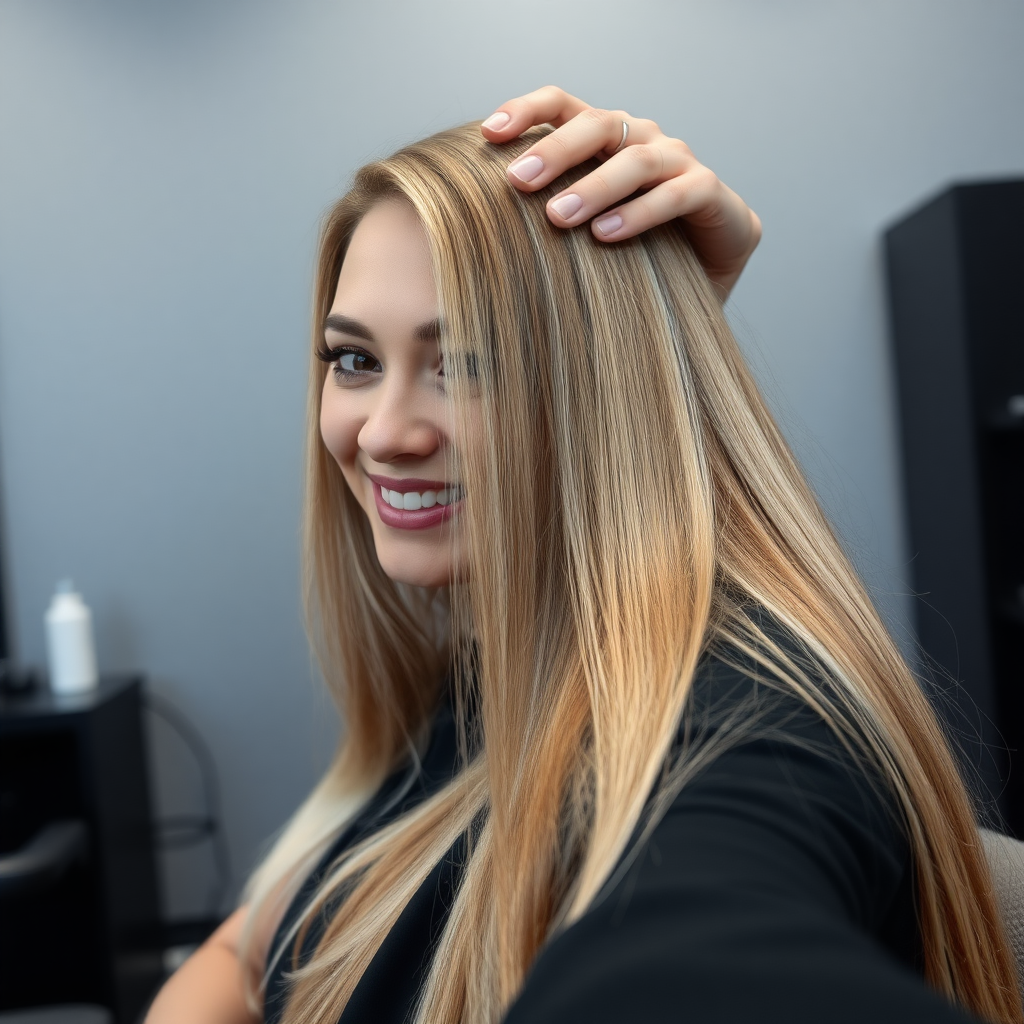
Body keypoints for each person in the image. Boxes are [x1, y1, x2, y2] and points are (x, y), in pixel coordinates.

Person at [144, 86, 1022, 1024]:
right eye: (355, 360)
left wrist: (650, 345)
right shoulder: (488, 661)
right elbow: (261, 940)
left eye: (470, 362)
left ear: (607, 389)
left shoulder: (738, 723)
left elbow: (688, 959)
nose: (385, 432)